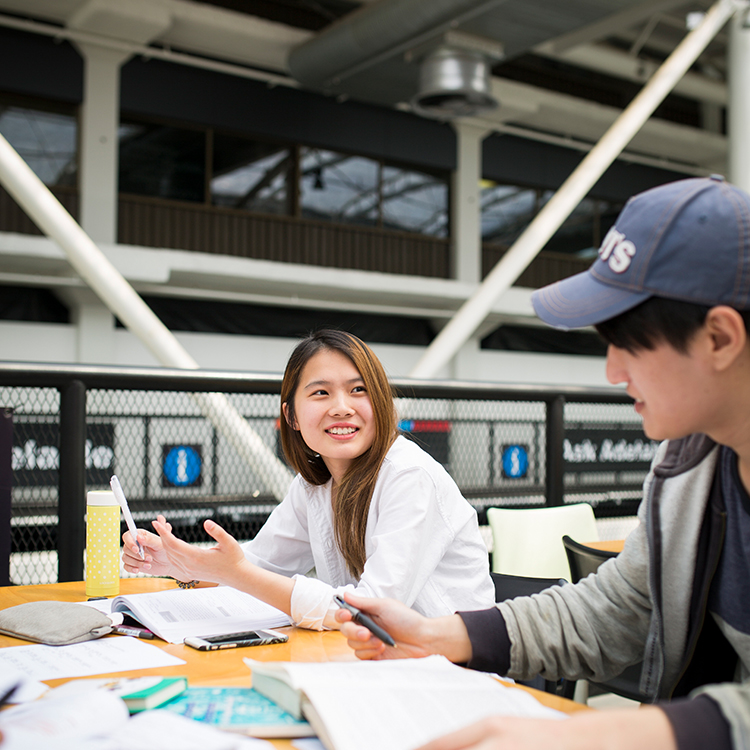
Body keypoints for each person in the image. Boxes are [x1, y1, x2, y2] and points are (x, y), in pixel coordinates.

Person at [336, 175, 750, 750]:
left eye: (629, 342)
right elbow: (619, 607)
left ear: (721, 338)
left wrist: (604, 737)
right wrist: (443, 634)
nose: (612, 372)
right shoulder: (686, 466)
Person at [122, 329, 495, 630]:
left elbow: (372, 611)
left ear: (381, 402)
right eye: (320, 392)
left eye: (358, 389)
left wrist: (234, 572)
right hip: (372, 663)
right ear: (292, 415)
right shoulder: (313, 485)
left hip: (452, 676)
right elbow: (258, 567)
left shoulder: (410, 476)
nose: (341, 407)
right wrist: (180, 564)